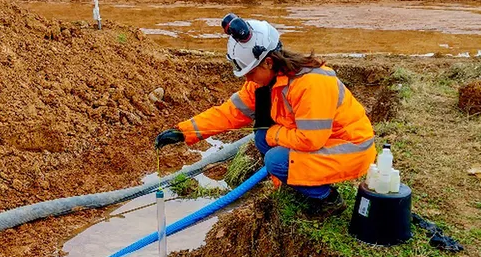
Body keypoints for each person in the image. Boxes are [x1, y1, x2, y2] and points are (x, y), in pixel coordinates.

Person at [155, 14, 376, 217]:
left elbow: (311, 139)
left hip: (350, 150)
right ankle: (297, 186)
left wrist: (274, 134)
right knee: (262, 138)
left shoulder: (311, 83)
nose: (247, 79)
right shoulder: (265, 84)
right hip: (325, 143)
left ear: (268, 62)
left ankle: (328, 199)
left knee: (274, 158)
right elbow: (230, 113)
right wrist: (184, 132)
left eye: (250, 72)